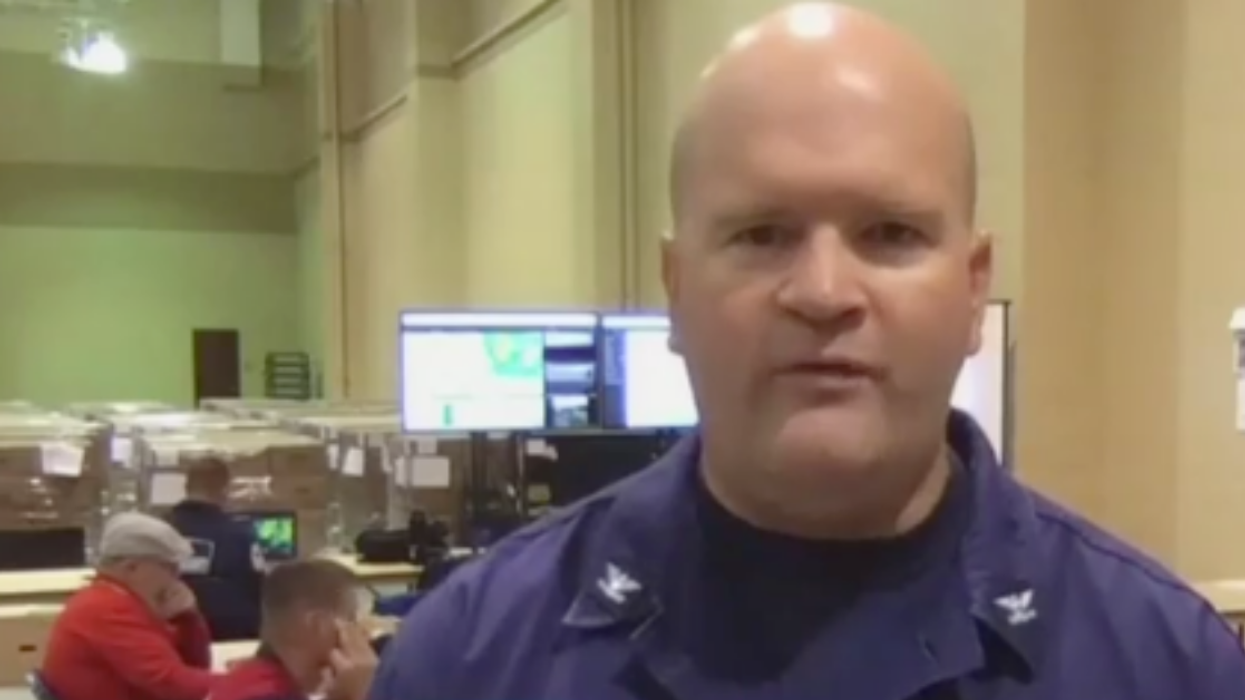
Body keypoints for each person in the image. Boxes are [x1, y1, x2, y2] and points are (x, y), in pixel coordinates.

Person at [368, 3, 1245, 700]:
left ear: (973, 288)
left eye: (891, 232)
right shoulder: (472, 664)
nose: (824, 291)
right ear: (674, 287)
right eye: (761, 234)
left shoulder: (1165, 669)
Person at [41, 512, 219, 700]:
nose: (177, 578)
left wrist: (186, 619)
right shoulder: (105, 609)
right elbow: (171, 683)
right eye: (169, 567)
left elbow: (192, 669)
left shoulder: (117, 600)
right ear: (131, 568)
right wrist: (243, 683)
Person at [211, 559, 378, 700]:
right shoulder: (265, 695)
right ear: (318, 624)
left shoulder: (253, 679)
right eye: (351, 619)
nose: (363, 634)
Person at [167, 455, 265, 640]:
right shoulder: (241, 535)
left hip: (172, 635)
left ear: (186, 487)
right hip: (231, 636)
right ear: (225, 490)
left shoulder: (158, 531)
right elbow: (258, 588)